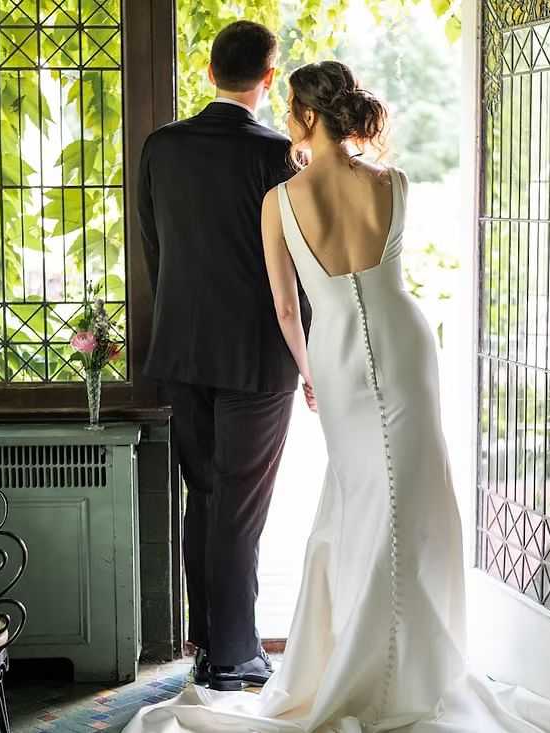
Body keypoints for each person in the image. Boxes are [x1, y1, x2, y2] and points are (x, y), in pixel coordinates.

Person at [127, 60, 550, 733]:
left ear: (309, 117)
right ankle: (415, 659)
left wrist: (309, 371)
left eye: (292, 107)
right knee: (411, 494)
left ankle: (363, 651)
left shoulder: (281, 201)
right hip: (407, 344)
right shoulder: (394, 183)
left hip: (336, 352)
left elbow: (287, 309)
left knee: (359, 496)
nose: (287, 117)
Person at [137, 20, 310, 692]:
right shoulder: (279, 156)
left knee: (204, 497)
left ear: (209, 74)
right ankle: (234, 655)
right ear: (268, 79)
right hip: (260, 356)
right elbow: (298, 267)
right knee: (238, 504)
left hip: (181, 348)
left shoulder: (160, 148)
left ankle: (209, 642)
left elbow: (155, 249)